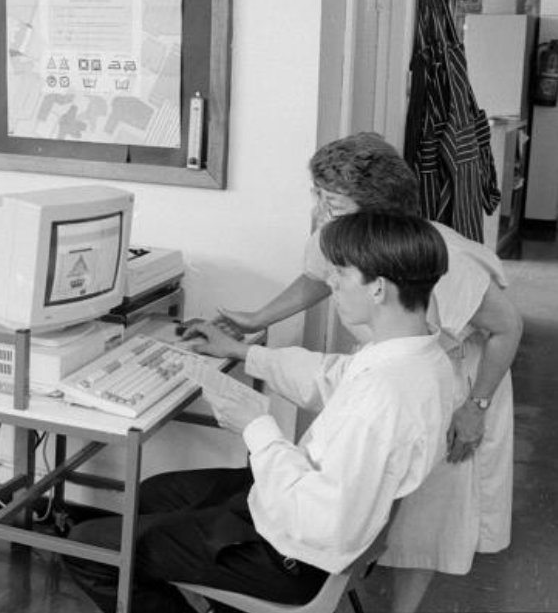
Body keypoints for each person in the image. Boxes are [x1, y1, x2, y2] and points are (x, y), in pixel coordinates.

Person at [63, 211, 457, 613]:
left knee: (87, 549)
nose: (331, 282)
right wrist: (242, 352)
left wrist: (256, 427)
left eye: (341, 272)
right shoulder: (420, 357)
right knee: (153, 496)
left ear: (379, 288)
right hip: (298, 511)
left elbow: (319, 517)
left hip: (292, 553)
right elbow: (330, 376)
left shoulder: (385, 395)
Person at [216, 132, 522, 613]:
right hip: (397, 366)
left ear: (378, 213)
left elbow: (508, 328)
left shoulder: (445, 259)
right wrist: (256, 320)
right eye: (317, 195)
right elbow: (319, 277)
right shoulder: (337, 236)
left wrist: (475, 407)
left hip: (461, 381)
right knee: (378, 496)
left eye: (332, 202)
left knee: (428, 515)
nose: (319, 212)